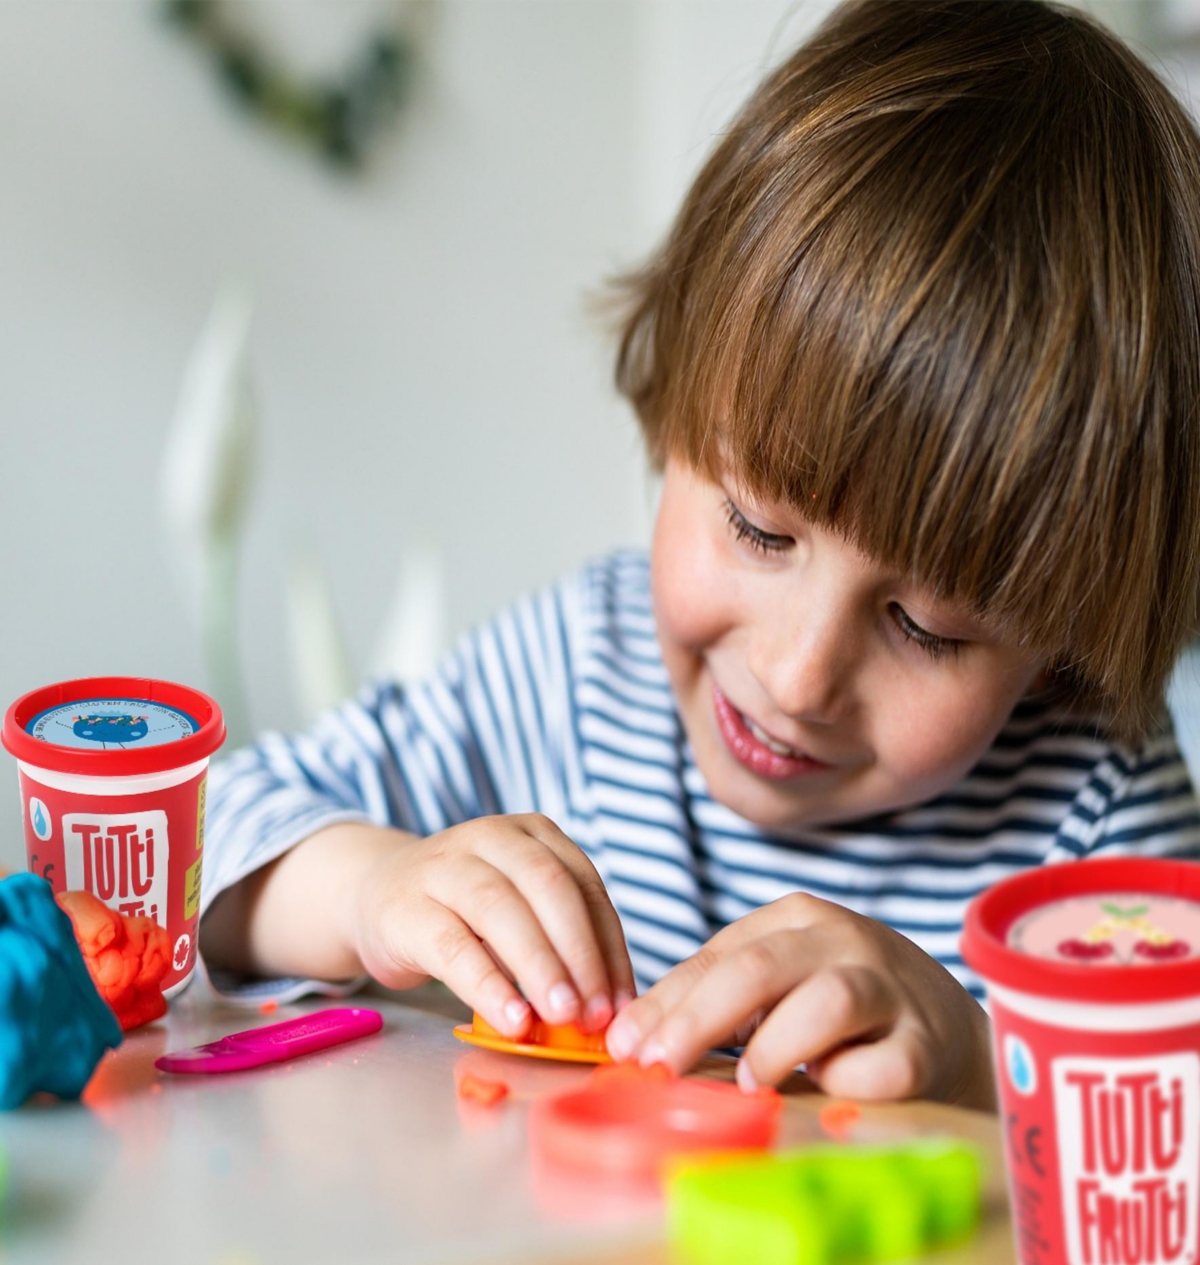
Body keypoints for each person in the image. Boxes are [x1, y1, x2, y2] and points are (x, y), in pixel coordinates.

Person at [200, 0, 1200, 1109]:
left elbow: (1171, 1127)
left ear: (1064, 640)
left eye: (929, 628)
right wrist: (371, 890)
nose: (797, 676)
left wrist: (973, 1063)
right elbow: (200, 837)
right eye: (761, 530)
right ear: (675, 408)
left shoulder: (1099, 823)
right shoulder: (585, 668)